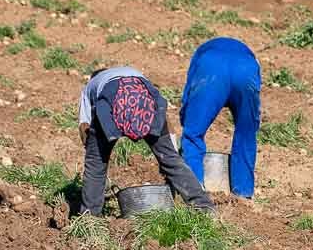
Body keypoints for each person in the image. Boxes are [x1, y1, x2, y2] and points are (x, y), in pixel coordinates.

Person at [77, 66, 214, 216]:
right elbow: (166, 121)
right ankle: (203, 207)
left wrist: (93, 153)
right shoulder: (134, 73)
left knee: (95, 166)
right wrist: (171, 153)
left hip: (111, 102)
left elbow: (84, 126)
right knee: (171, 160)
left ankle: (90, 218)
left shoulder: (90, 85)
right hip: (146, 103)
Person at [180, 37, 262, 199]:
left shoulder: (202, 54)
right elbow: (255, 110)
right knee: (246, 134)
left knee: (193, 135)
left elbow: (188, 95)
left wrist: (187, 121)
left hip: (212, 68)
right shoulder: (250, 56)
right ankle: (243, 194)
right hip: (246, 68)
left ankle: (195, 194)